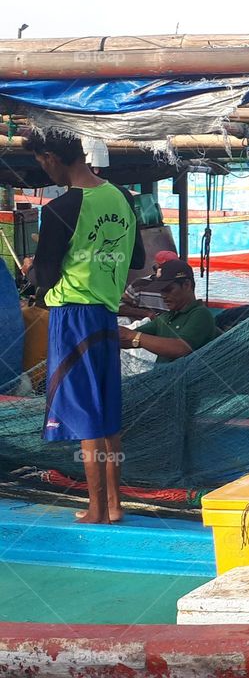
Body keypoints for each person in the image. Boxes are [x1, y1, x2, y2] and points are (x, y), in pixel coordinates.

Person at [23, 130, 145, 525]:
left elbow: (43, 275)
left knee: (85, 411)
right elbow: (136, 258)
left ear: (49, 158)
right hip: (105, 315)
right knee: (107, 410)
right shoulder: (122, 198)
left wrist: (32, 271)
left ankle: (96, 509)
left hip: (73, 316)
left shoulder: (61, 208)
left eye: (42, 162)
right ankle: (113, 504)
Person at [118, 259, 218, 363]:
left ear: (187, 285)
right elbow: (130, 338)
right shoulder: (166, 317)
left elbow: (181, 348)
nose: (163, 296)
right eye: (161, 291)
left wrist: (133, 336)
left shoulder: (200, 314)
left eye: (168, 290)